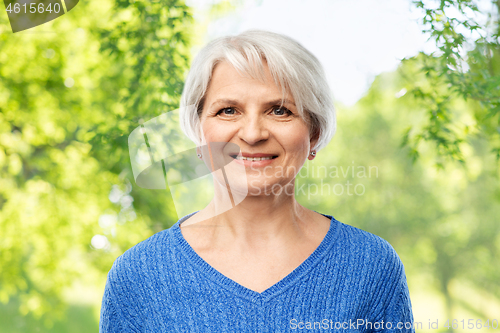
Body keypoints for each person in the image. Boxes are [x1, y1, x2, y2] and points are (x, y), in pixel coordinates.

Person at [99, 30, 414, 332]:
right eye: (228, 110)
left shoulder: (372, 267)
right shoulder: (137, 277)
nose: (252, 134)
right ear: (198, 134)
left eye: (279, 111)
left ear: (314, 133)